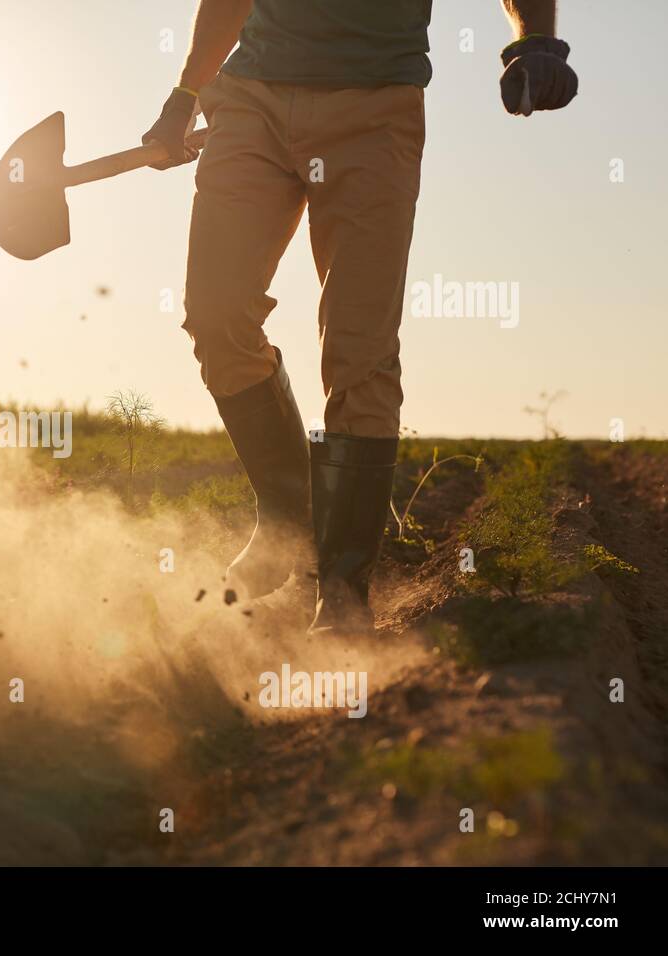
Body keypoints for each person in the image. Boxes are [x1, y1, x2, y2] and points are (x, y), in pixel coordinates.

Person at [142, 0, 577, 633]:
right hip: (251, 99)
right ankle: (289, 517)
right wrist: (185, 93)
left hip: (375, 110)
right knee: (215, 315)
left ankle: (341, 590)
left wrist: (534, 40)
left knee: (359, 348)